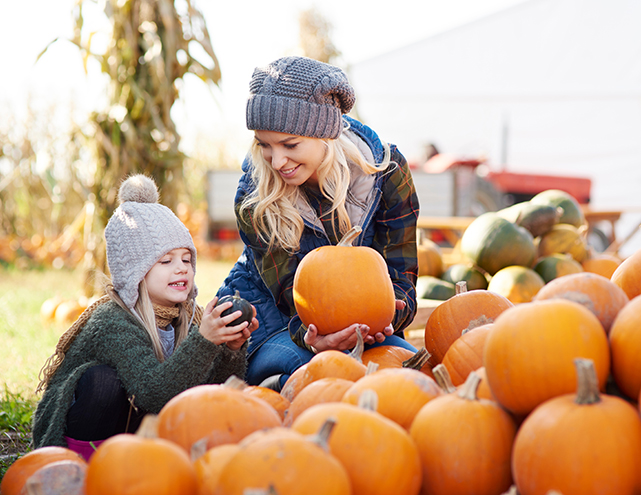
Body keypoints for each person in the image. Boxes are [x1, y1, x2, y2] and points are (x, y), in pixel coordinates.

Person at [216, 56, 420, 391]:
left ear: (325, 134)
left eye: (290, 144)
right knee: (316, 376)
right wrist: (315, 340)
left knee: (406, 372)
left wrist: (387, 318)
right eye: (264, 145)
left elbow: (401, 274)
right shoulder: (256, 195)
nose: (277, 161)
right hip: (275, 321)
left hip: (359, 326)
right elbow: (288, 297)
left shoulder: (388, 174)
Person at [32, 174, 256, 460]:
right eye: (166, 261)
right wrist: (203, 341)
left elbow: (210, 393)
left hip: (134, 430)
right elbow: (153, 393)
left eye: (186, 259)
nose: (181, 269)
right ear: (135, 273)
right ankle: (80, 465)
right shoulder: (113, 320)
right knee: (103, 380)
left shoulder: (188, 317)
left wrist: (230, 349)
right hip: (84, 426)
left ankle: (134, 462)